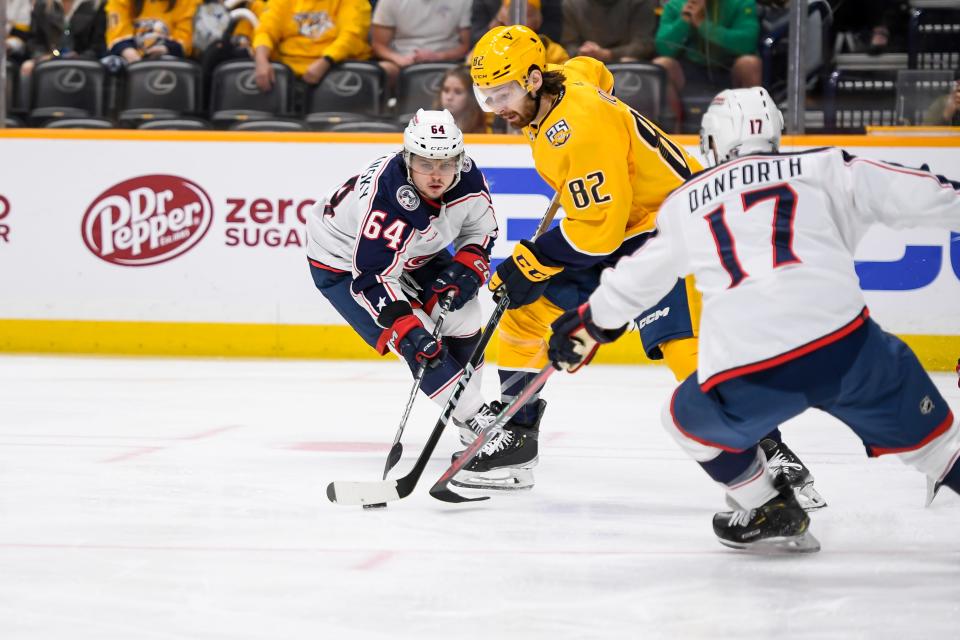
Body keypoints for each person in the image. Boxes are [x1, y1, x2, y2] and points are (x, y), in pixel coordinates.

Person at [547, 87, 960, 553]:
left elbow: (636, 279)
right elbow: (931, 195)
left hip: (755, 367)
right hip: (849, 347)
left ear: (711, 141)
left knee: (683, 418)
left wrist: (588, 323)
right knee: (942, 449)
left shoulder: (688, 201)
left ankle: (767, 505)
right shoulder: (826, 167)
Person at [461, 25, 821, 505]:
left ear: (531, 79)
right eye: (486, 97)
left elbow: (597, 233)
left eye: (501, 93)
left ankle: (773, 455)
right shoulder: (568, 78)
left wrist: (532, 260)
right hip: (620, 225)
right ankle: (517, 440)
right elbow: (598, 72)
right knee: (525, 317)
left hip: (673, 229)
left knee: (683, 347)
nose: (496, 107)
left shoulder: (578, 128)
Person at [306, 109, 501, 442]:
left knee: (465, 314)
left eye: (446, 163)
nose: (437, 174)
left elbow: (480, 227)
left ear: (459, 158)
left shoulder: (467, 177)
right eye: (425, 163)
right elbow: (372, 276)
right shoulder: (387, 202)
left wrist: (471, 259)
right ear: (408, 158)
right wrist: (405, 326)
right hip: (343, 264)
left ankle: (470, 420)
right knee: (417, 343)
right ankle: (477, 419)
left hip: (412, 250)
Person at [653, 0, 762, 126]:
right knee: (662, 65)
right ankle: (672, 134)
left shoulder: (741, 3)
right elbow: (663, 48)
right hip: (688, 71)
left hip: (728, 68)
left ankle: (751, 129)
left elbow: (747, 43)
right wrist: (685, 20)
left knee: (750, 64)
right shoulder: (675, 5)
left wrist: (703, 25)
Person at [252, 0, 371, 91]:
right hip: (286, 72)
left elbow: (352, 36)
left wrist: (326, 61)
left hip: (336, 69)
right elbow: (265, 31)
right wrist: (261, 60)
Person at [370, 0, 471, 88]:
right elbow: (379, 45)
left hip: (449, 62)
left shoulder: (463, 1)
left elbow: (465, 46)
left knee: (467, 72)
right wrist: (400, 59)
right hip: (401, 62)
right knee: (383, 69)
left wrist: (438, 56)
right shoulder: (389, 2)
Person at [20, 0, 107, 78]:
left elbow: (98, 45)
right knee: (27, 67)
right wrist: (41, 57)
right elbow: (34, 40)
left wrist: (80, 57)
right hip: (48, 60)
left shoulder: (97, 5)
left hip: (85, 64)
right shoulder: (42, 4)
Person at [471, 0, 567, 65]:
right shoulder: (489, 48)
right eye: (511, 14)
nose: (518, 22)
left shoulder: (552, 51)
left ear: (538, 20)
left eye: (528, 15)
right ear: (502, 18)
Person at [560, 0, 657, 63]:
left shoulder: (640, 2)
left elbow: (645, 45)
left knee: (629, 62)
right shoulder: (571, 4)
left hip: (628, 62)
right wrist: (583, 52)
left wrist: (608, 54)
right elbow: (569, 45)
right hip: (587, 62)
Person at [105, 0, 202, 63]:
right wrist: (128, 51)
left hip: (167, 59)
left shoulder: (188, 2)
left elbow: (185, 38)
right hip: (127, 57)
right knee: (112, 63)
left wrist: (166, 49)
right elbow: (116, 31)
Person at [434, 66, 489, 134]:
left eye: (458, 92)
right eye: (446, 90)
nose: (449, 97)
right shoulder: (426, 123)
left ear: (471, 96)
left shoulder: (487, 131)